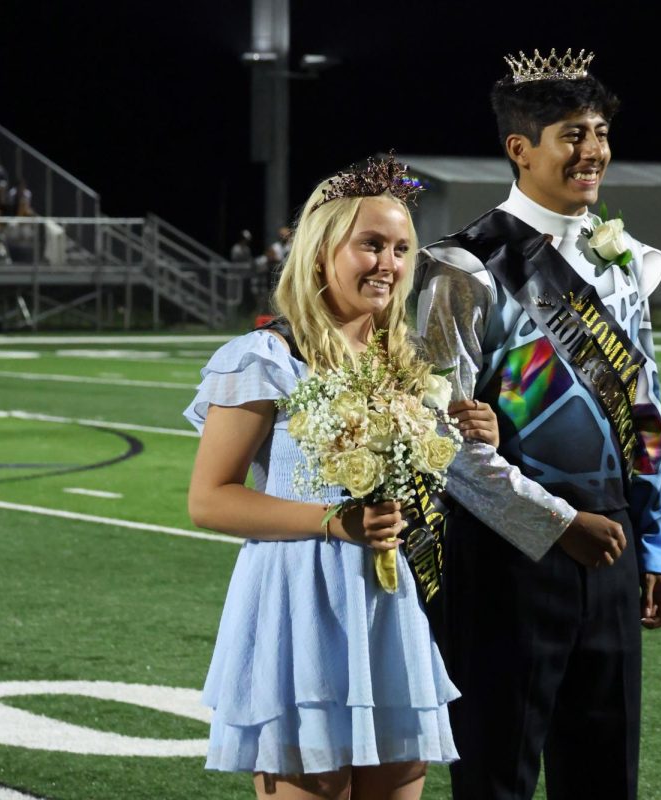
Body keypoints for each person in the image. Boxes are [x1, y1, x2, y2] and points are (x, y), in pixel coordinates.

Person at [185, 155, 499, 800]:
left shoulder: (409, 362)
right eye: (371, 244)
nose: (389, 263)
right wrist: (332, 521)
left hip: (389, 603)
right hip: (300, 603)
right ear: (322, 251)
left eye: (403, 248)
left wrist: (472, 435)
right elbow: (209, 500)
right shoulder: (265, 357)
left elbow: (433, 483)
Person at [413, 48, 661, 799]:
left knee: (604, 773)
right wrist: (557, 525)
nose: (593, 151)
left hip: (614, 545)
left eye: (598, 131)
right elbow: (442, 436)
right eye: (572, 134)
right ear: (519, 149)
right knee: (498, 771)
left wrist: (653, 544)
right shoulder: (461, 268)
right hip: (507, 554)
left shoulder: (624, 261)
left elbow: (646, 411)